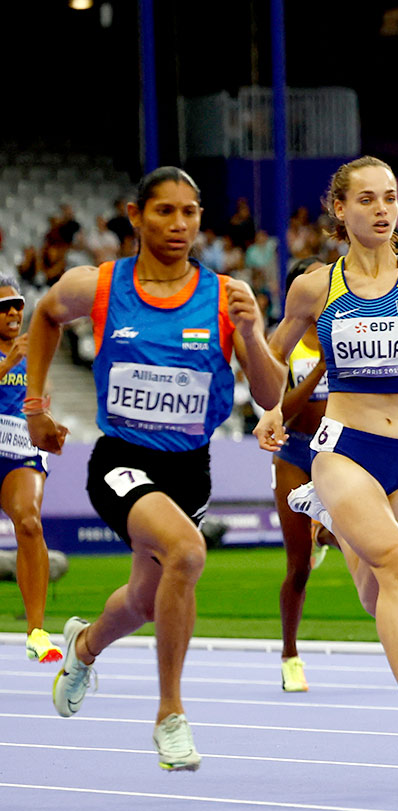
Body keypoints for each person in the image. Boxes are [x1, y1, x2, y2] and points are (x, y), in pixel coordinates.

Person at [25, 166, 285, 771]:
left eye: (190, 212)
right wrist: (37, 408)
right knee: (188, 554)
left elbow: (272, 394)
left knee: (146, 599)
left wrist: (251, 332)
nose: (179, 224)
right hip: (120, 460)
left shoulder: (226, 297)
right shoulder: (99, 285)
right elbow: (42, 315)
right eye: (164, 211)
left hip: (190, 468)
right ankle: (170, 715)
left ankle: (84, 647)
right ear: (137, 216)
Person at [253, 156, 398, 754]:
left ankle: (327, 515)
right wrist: (271, 410)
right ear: (340, 208)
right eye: (367, 200)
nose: (382, 210)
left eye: (390, 198)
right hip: (343, 445)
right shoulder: (314, 286)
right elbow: (270, 362)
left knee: (376, 591)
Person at [271, 256, 341, 693]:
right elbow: (280, 410)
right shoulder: (285, 343)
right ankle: (290, 655)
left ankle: (323, 533)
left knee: (357, 538)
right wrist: (319, 366)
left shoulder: (346, 329)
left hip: (340, 452)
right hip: (295, 452)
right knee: (298, 568)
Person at [0, 276, 61, 665]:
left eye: (19, 305)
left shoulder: (35, 348)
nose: (12, 313)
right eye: (4, 307)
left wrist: (50, 426)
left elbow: (41, 402)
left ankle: (36, 631)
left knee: (29, 523)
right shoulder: (16, 354)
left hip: (18, 447)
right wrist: (8, 363)